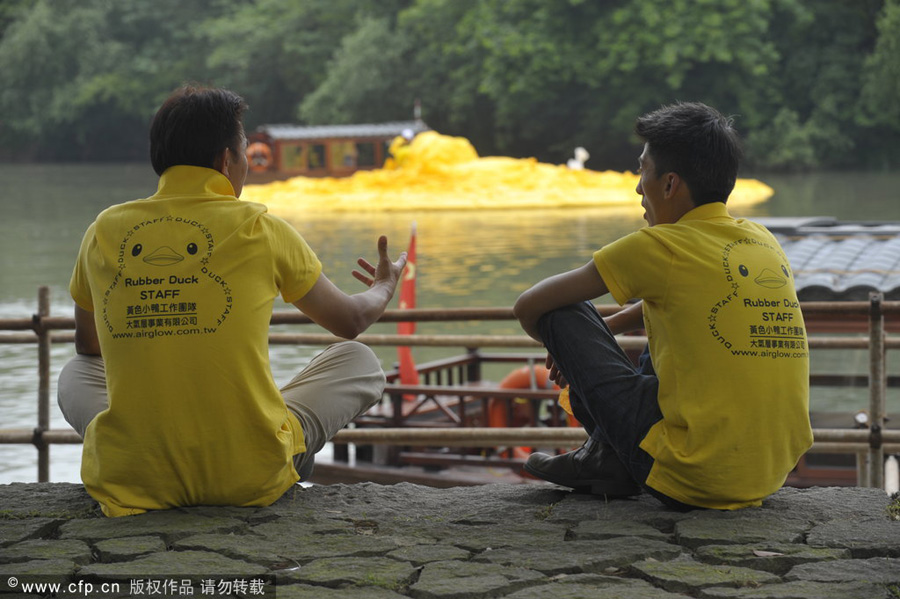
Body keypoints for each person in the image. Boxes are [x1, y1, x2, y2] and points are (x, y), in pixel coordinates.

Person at [57, 86, 407, 517]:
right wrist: (383, 287)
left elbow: (88, 347)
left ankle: (125, 447)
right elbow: (350, 322)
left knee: (75, 371)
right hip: (248, 472)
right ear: (227, 161)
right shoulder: (259, 227)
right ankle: (279, 447)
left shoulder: (104, 230)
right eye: (243, 153)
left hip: (134, 475)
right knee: (360, 359)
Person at [514, 102, 813, 510]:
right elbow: (689, 301)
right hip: (768, 472)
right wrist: (611, 329)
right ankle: (606, 458)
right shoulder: (761, 240)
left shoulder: (658, 246)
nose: (639, 187)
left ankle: (608, 458)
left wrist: (570, 351)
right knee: (674, 325)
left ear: (669, 184)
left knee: (562, 310)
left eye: (642, 171)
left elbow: (529, 305)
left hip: (692, 475)